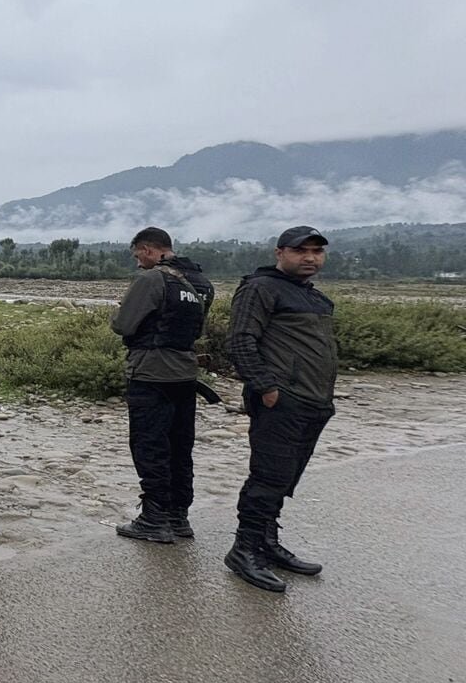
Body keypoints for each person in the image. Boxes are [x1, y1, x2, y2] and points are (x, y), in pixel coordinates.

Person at [223, 226, 336, 592]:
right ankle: (244, 550)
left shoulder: (312, 296)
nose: (310, 258)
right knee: (268, 477)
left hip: (313, 403)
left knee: (286, 477)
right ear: (280, 253)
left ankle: (266, 543)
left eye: (317, 251)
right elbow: (239, 341)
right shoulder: (260, 288)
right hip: (281, 402)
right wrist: (266, 388)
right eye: (301, 251)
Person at [110, 227, 215, 543]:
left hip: (150, 373)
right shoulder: (202, 283)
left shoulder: (152, 279)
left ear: (147, 249)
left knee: (150, 445)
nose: (138, 262)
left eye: (138, 255)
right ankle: (178, 516)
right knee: (180, 446)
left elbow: (123, 324)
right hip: (186, 375)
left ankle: (154, 519)